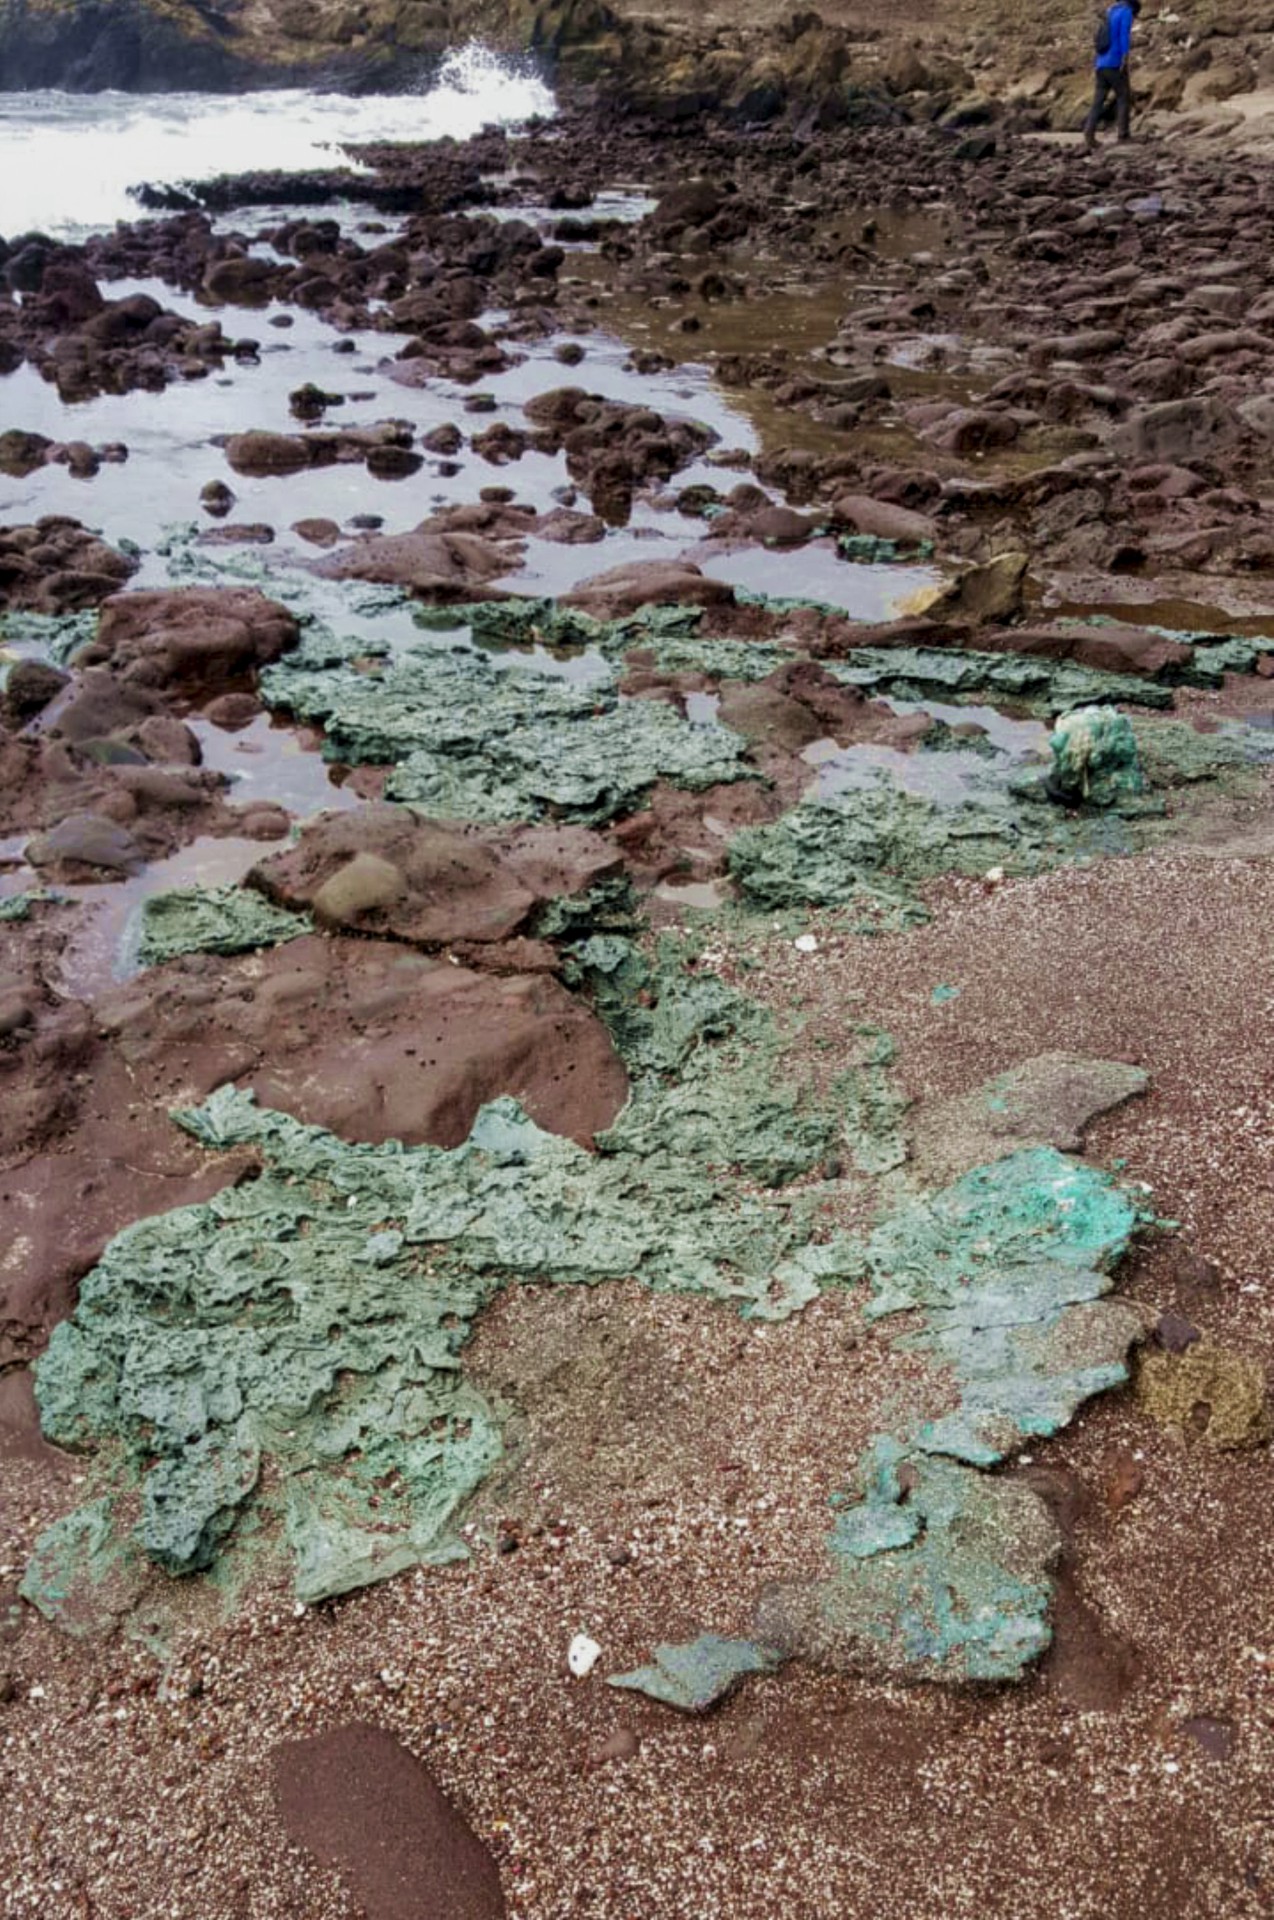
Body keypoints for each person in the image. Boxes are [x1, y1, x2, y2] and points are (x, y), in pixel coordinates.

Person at [1084, 0, 1141, 150]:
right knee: (1123, 96)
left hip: (1101, 63)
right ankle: (1123, 135)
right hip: (1114, 62)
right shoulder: (1126, 12)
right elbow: (1124, 35)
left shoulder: (1110, 11)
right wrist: (1125, 56)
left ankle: (1089, 134)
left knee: (1098, 100)